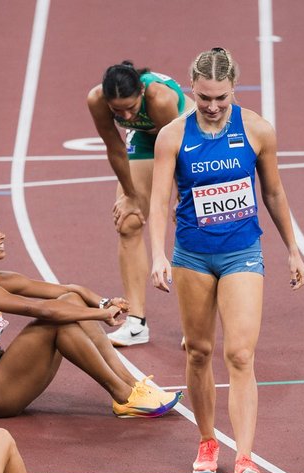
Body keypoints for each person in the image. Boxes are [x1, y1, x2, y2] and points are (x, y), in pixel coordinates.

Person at [147, 47, 304, 473]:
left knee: (239, 354)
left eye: (221, 97)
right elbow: (158, 201)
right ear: (191, 89)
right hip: (192, 255)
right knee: (198, 351)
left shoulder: (256, 129)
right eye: (204, 98)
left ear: (234, 88)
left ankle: (245, 457)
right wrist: (157, 254)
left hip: (242, 253)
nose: (214, 106)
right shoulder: (172, 136)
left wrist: (293, 248)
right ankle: (207, 441)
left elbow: (273, 192)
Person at [0, 209, 181, 419]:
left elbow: (68, 290)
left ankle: (132, 385)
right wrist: (99, 315)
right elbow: (39, 309)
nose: (2, 235)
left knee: (69, 302)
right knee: (56, 322)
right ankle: (123, 395)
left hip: (2, 372)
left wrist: (103, 303)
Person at [86, 61, 192, 347]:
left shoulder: (160, 98)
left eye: (131, 107)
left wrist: (182, 196)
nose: (126, 115)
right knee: (129, 222)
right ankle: (136, 324)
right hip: (145, 137)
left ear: (142, 92)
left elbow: (177, 150)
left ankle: (195, 325)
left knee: (189, 221)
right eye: (117, 111)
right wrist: (131, 196)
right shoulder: (96, 99)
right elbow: (115, 148)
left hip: (185, 135)